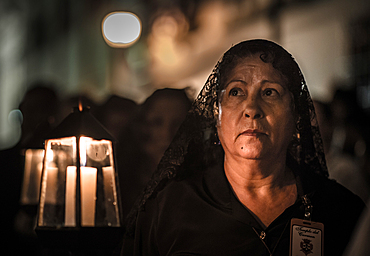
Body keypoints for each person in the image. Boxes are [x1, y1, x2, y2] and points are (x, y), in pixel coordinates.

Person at [121, 39, 365, 255]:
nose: (252, 109)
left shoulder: (338, 210)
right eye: (236, 92)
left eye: (270, 92)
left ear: (295, 116)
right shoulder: (169, 209)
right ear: (217, 115)